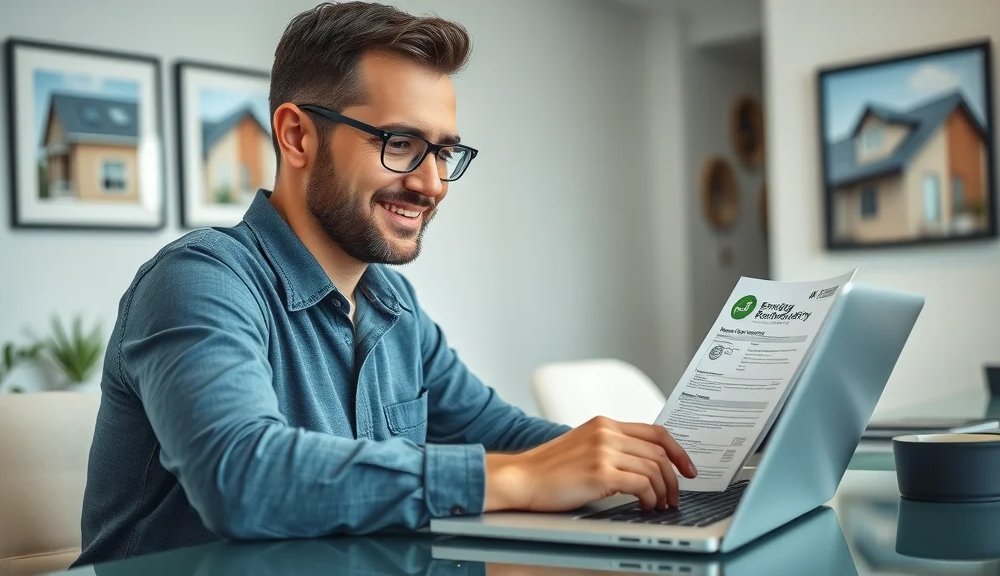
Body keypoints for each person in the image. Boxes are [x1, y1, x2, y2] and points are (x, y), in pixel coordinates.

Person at [74, 1, 697, 566]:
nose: (432, 184)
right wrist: (509, 480)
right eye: (400, 143)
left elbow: (505, 435)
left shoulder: (393, 305)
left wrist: (635, 462)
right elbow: (240, 476)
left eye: (445, 152)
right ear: (297, 136)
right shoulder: (200, 279)